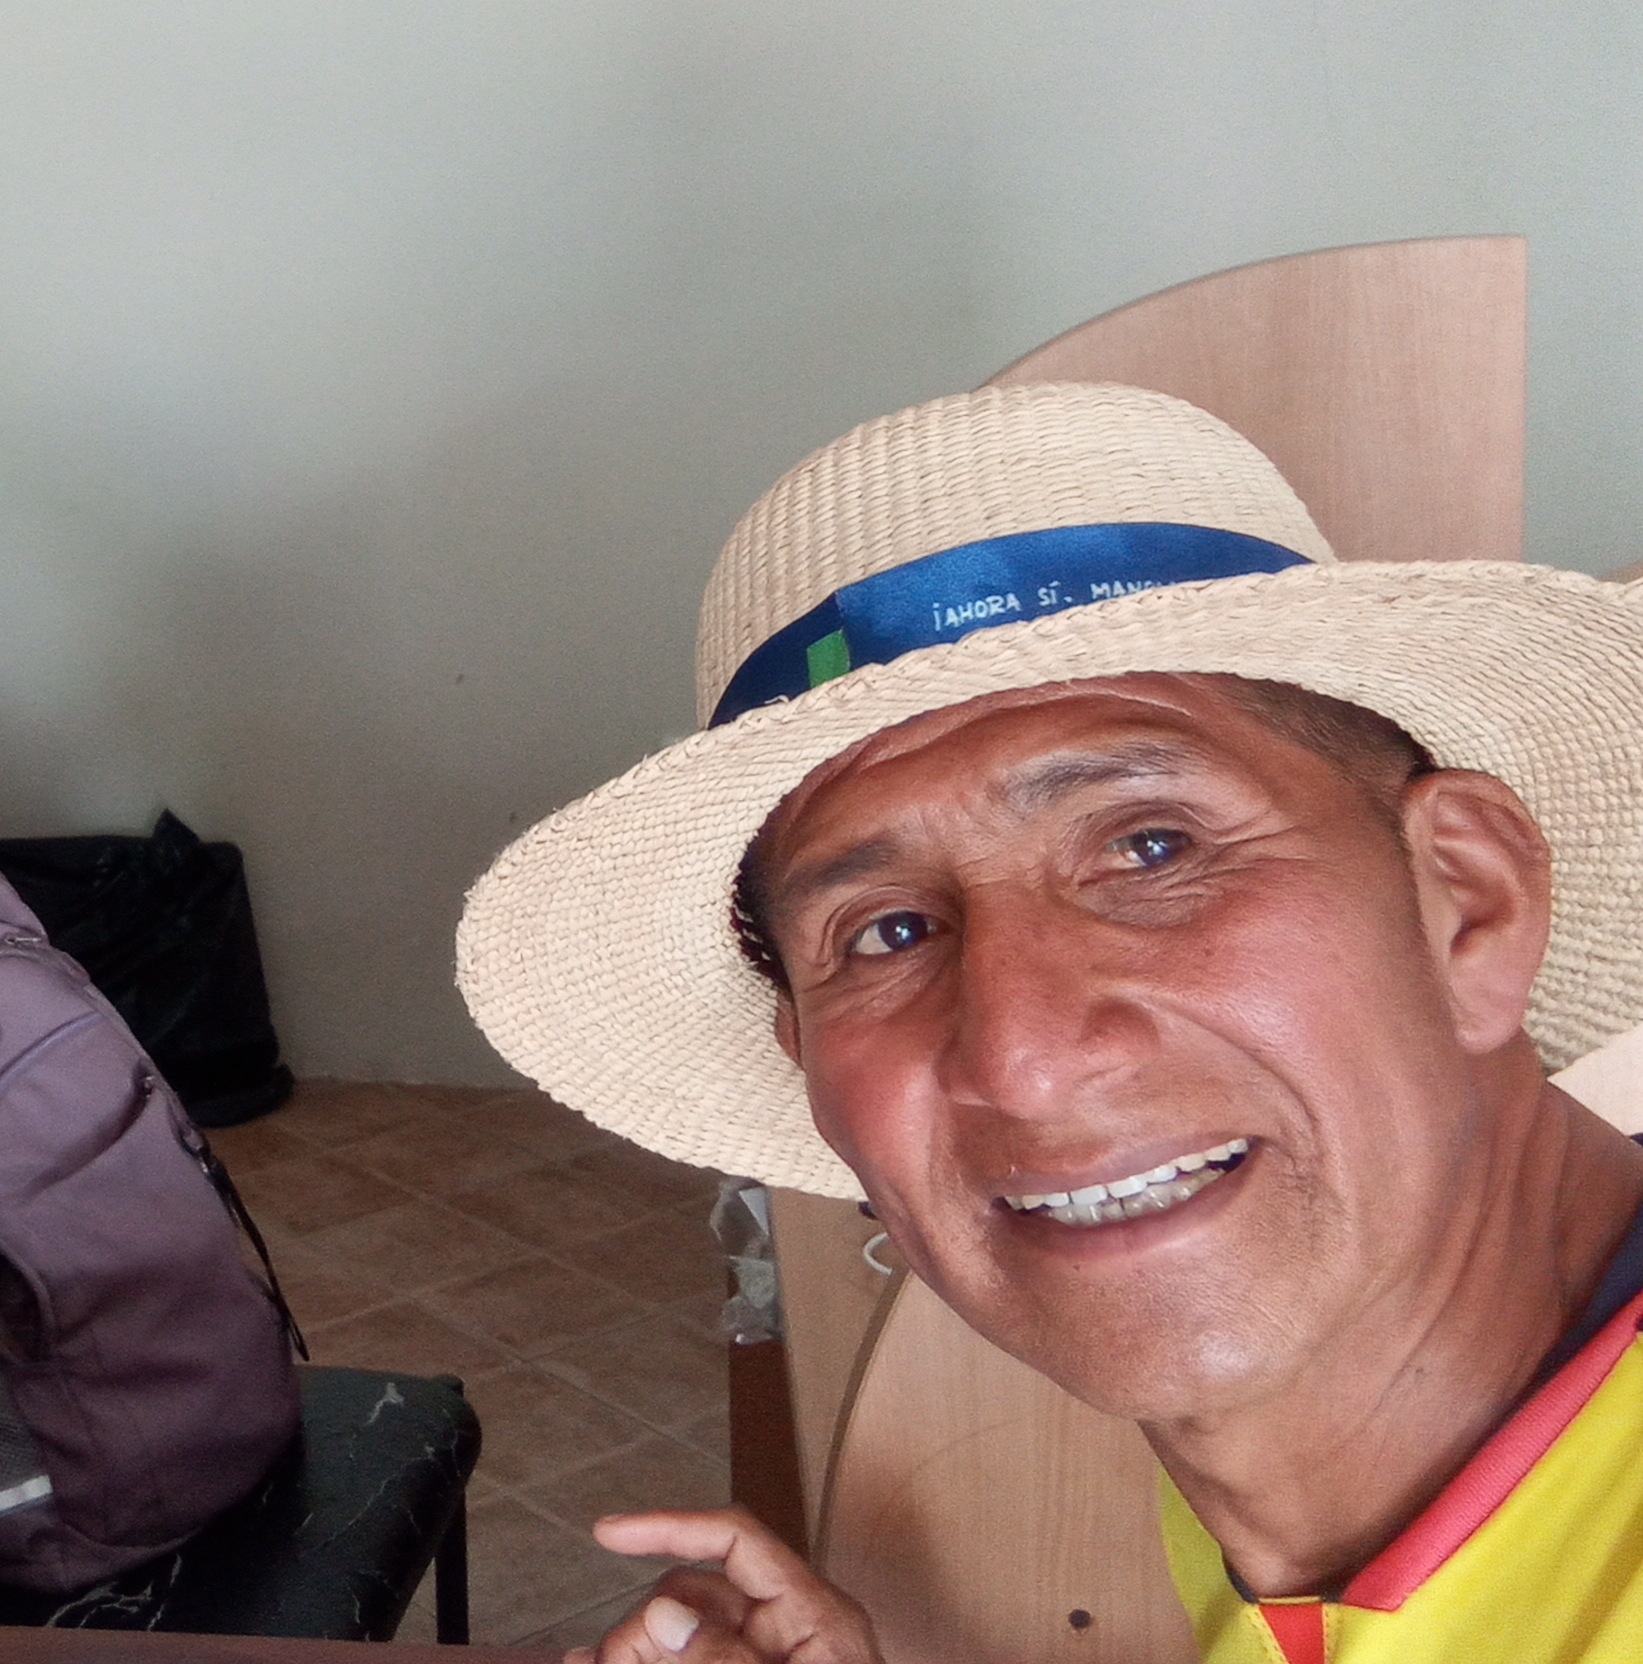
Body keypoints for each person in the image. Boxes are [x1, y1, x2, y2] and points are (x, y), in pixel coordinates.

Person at [453, 382, 1643, 1663]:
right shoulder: (1322, 1463)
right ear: (808, 1064)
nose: (1020, 1059)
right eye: (886, 933)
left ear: (1466, 899)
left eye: (1151, 847)